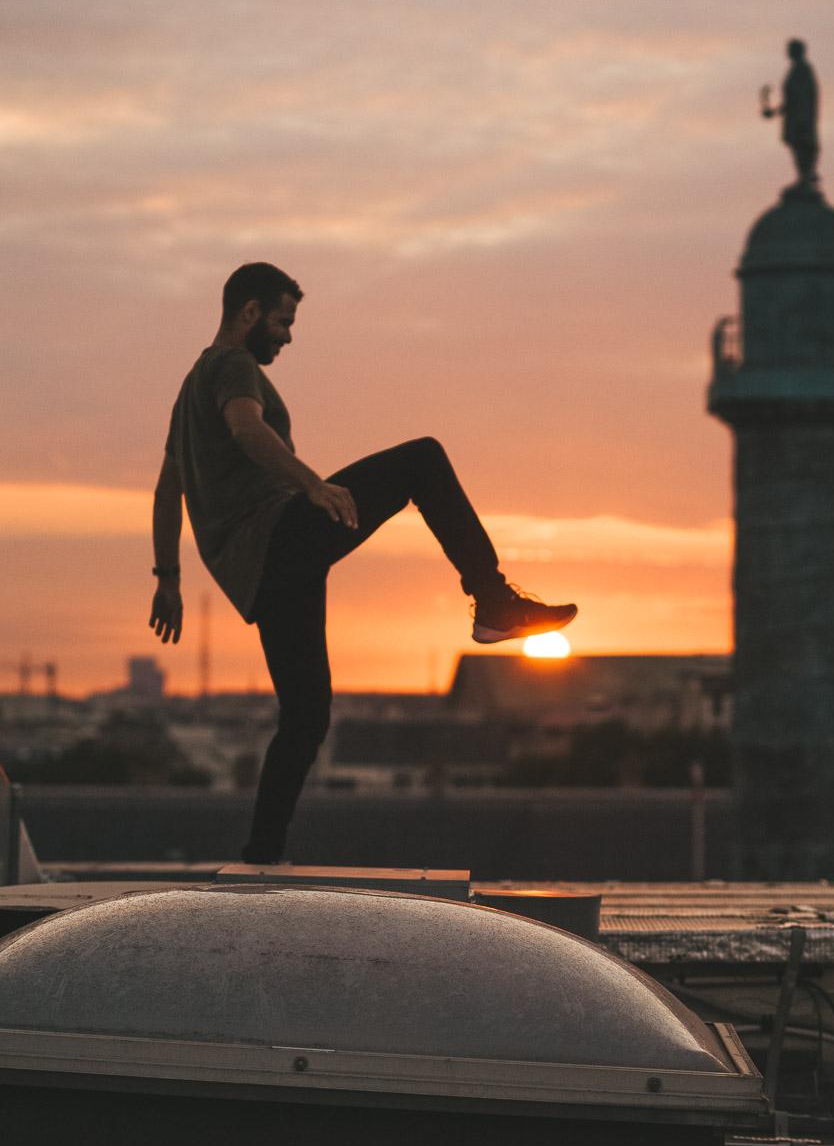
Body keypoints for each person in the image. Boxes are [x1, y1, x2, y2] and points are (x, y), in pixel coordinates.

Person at [149, 262, 576, 863]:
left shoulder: (190, 386)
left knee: (305, 716)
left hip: (261, 576)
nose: (287, 337)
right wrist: (312, 486)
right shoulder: (231, 366)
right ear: (248, 313)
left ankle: (261, 853)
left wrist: (168, 578)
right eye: (281, 322)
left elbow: (169, 490)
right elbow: (246, 429)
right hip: (281, 535)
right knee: (422, 460)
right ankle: (493, 599)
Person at [760, 38, 820, 188]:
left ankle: (805, 177)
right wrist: (775, 112)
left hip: (801, 118)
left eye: (791, 49)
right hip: (796, 117)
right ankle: (803, 177)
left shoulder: (803, 70)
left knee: (802, 145)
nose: (788, 52)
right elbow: (791, 99)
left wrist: (802, 118)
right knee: (797, 146)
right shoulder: (796, 70)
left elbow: (802, 97)